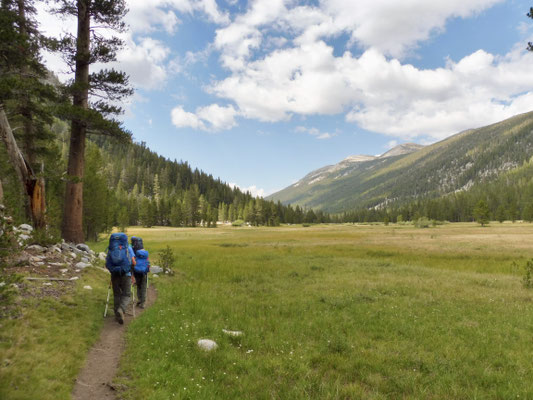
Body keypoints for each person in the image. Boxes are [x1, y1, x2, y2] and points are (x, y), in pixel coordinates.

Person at [105, 232, 136, 324]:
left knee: (116, 294)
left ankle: (116, 315)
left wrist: (113, 270)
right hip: (126, 274)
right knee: (126, 294)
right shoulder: (128, 248)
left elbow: (107, 262)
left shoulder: (111, 248)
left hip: (114, 274)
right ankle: (121, 310)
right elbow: (133, 262)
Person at [132, 240, 150, 309]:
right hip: (144, 273)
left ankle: (139, 299)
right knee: (144, 287)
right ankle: (143, 302)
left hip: (137, 273)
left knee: (138, 286)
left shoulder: (136, 254)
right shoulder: (145, 255)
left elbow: (134, 263)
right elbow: (148, 264)